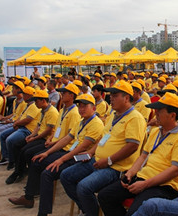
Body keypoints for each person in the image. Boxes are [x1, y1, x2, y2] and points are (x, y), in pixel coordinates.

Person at [98, 92, 178, 216]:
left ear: (172, 115)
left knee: (136, 211)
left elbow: (175, 170)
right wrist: (130, 173)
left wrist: (144, 185)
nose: (156, 114)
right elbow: (143, 156)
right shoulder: (155, 132)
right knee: (105, 196)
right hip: (142, 177)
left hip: (164, 186)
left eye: (160, 111)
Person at [60, 80, 146, 216]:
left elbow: (132, 146)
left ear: (127, 98)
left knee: (83, 187)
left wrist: (108, 161)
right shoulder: (113, 114)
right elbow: (103, 138)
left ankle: (91, 211)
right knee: (66, 176)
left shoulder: (135, 118)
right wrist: (90, 152)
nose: (111, 98)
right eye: (110, 95)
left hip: (115, 167)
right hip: (97, 160)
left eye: (115, 95)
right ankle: (89, 209)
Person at [8, 94, 102, 216]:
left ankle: (46, 212)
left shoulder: (96, 123)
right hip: (71, 153)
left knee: (49, 172)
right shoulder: (81, 121)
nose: (81, 109)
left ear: (94, 108)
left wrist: (61, 160)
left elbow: (82, 147)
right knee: (38, 160)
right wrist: (47, 152)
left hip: (83, 157)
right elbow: (67, 138)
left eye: (85, 106)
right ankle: (29, 197)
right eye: (80, 106)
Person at [5, 89, 59, 184]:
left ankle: (28, 175)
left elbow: (48, 130)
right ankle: (19, 171)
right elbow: (38, 126)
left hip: (46, 139)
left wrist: (35, 138)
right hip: (39, 136)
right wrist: (32, 135)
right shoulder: (42, 111)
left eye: (37, 101)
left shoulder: (52, 112)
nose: (35, 103)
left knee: (27, 152)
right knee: (17, 145)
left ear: (43, 101)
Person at [0, 86, 41, 169]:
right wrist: (16, 122)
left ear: (29, 96)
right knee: (3, 134)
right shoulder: (27, 105)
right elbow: (21, 116)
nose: (22, 96)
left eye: (24, 94)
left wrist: (17, 123)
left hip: (28, 129)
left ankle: (12, 161)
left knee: (10, 140)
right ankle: (7, 157)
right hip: (21, 127)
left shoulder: (34, 106)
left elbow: (28, 119)